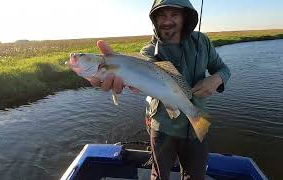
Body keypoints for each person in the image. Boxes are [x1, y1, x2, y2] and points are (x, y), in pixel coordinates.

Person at [89, 0, 231, 179]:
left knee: (195, 177)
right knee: (159, 176)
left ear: (185, 17)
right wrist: (115, 71)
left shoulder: (202, 41)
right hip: (162, 129)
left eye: (174, 14)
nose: (167, 20)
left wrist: (216, 79)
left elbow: (224, 69)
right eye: (162, 15)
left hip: (197, 124)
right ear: (154, 19)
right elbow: (139, 70)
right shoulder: (148, 51)